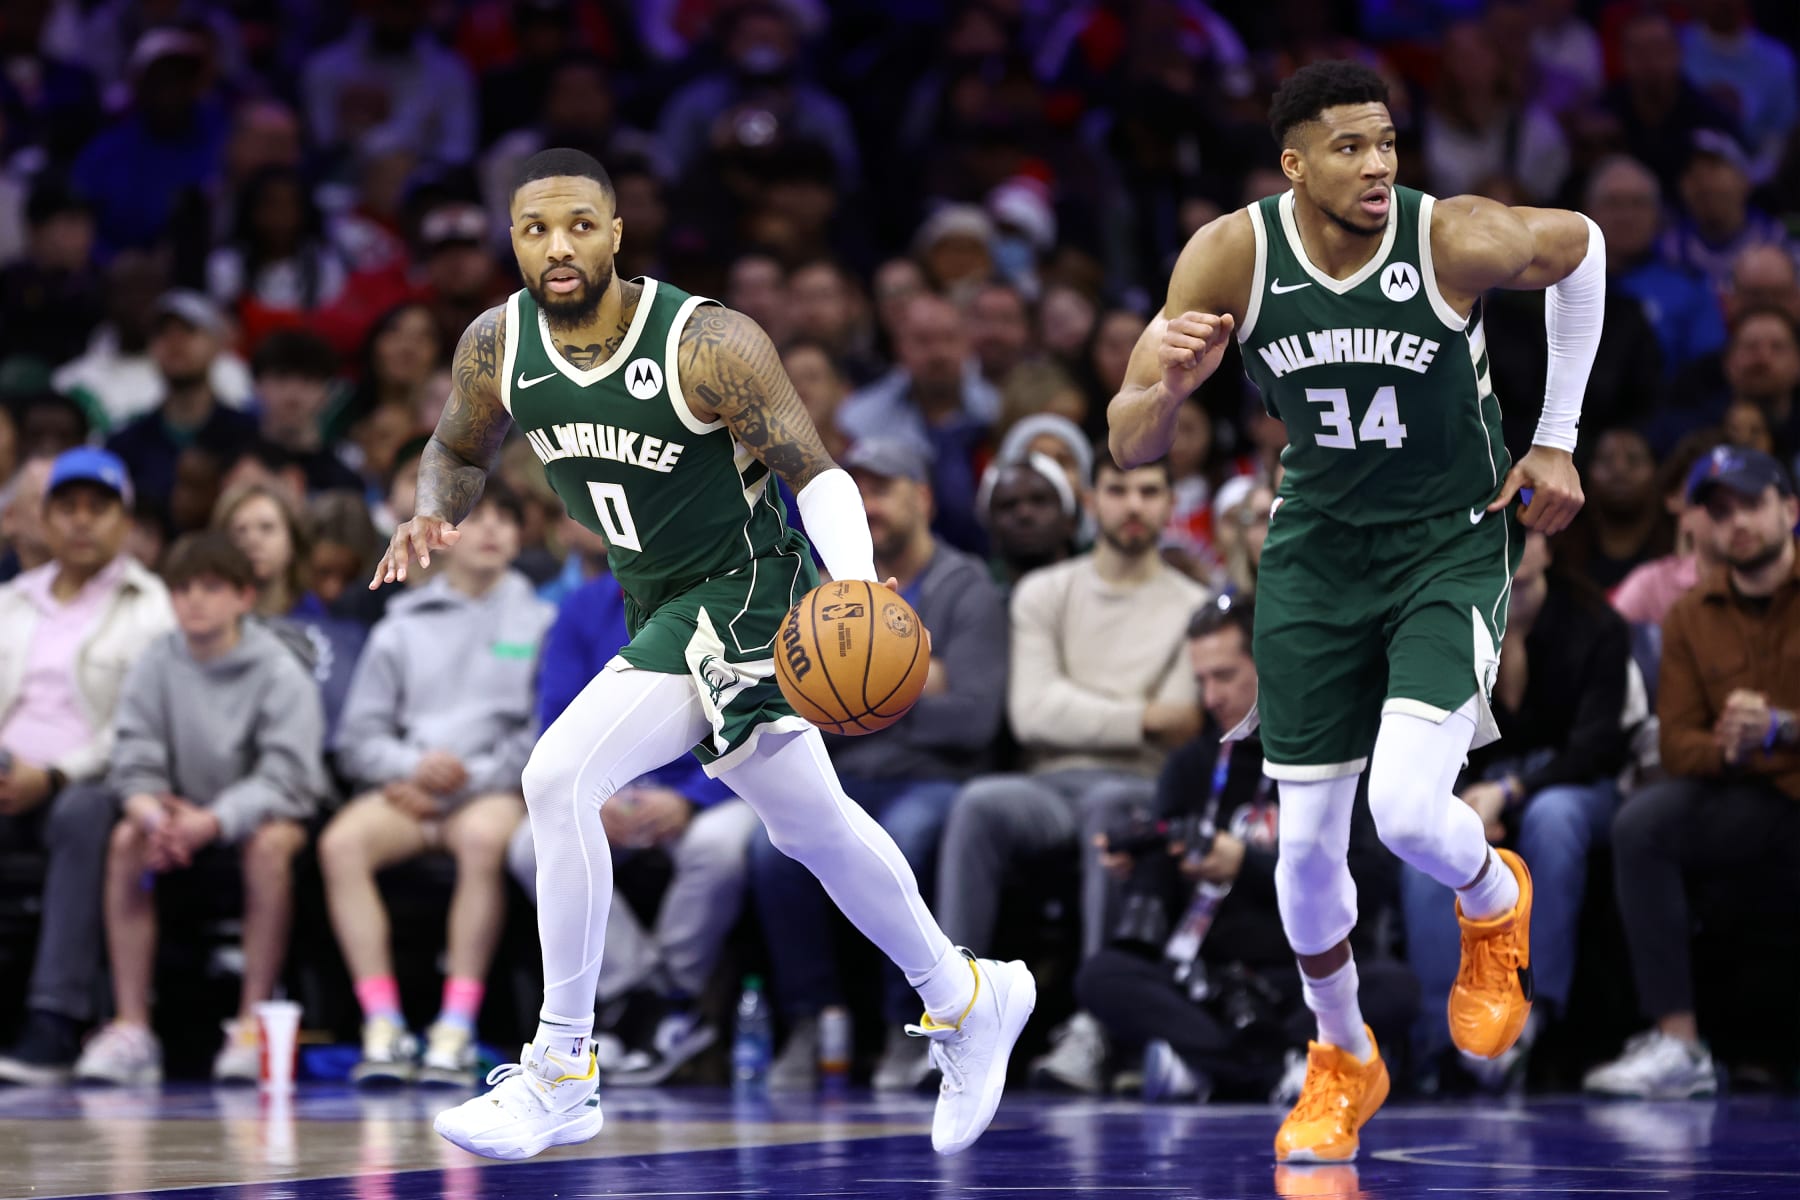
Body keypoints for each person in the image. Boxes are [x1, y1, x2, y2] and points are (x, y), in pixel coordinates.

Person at [376, 148, 1032, 1161]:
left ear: (617, 232)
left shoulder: (707, 341)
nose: (558, 247)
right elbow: (460, 448)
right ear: (513, 237)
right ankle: (967, 994)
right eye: (536, 228)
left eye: (580, 225)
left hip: (748, 591)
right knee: (810, 828)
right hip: (660, 600)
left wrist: (852, 580)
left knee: (556, 776)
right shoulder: (494, 343)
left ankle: (561, 1068)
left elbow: (816, 473)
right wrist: (433, 509)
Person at [1106, 61, 1603, 1162]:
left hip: (1447, 541)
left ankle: (1490, 895)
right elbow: (1128, 438)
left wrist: (1557, 432)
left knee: (1410, 814)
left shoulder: (1453, 237)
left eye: (1387, 143)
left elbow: (1583, 248)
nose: (1378, 164)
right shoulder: (1231, 254)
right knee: (1304, 853)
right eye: (1349, 147)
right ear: (1293, 165)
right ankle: (1343, 1057)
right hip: (1315, 555)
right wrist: (1166, 393)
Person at [1077, 599, 1418, 1103]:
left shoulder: (1337, 751)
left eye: (1225, 676)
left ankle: (1205, 1066)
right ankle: (1278, 1067)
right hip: (1207, 979)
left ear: (1268, 660)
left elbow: (1374, 879)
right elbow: (1162, 898)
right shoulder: (1190, 764)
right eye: (1201, 681)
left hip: (1305, 974)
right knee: (1101, 976)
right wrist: (1145, 866)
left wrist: (1247, 865)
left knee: (1394, 986)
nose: (1211, 696)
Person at [1584, 447, 1800, 1098]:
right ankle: (1678, 1044)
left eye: (1752, 505)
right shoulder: (1687, 614)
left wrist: (1781, 729)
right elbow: (1677, 746)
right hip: (1750, 795)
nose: (1736, 523)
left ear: (1790, 510)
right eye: (1720, 511)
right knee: (1643, 823)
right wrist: (1734, 746)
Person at [71, 532, 323, 1085]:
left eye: (211, 587)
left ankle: (249, 1025)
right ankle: (132, 1025)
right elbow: (132, 761)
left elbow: (290, 778)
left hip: (261, 818)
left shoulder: (279, 670)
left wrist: (212, 821)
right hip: (177, 821)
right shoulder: (154, 663)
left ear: (243, 597)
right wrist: (155, 819)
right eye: (182, 589)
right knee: (124, 841)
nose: (195, 601)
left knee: (271, 846)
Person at [323, 486, 549, 1086]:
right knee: (341, 843)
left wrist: (465, 779)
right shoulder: (399, 626)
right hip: (413, 788)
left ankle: (455, 1025)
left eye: (506, 518)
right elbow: (358, 739)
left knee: (482, 840)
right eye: (477, 519)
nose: (493, 530)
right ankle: (384, 1025)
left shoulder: (541, 622)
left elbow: (542, 732)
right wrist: (410, 767)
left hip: (492, 789)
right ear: (440, 539)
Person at [0, 449, 175, 1084]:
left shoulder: (152, 606)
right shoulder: (11, 602)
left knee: (83, 814)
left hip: (90, 783)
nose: (80, 522)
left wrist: (52, 773)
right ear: (42, 521)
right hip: (7, 774)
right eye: (66, 508)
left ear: (125, 523)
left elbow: (135, 725)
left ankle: (55, 1017)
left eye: (97, 509)